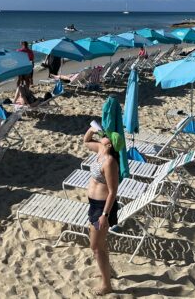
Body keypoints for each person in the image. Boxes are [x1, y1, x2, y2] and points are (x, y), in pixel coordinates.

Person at [83, 125, 121, 296]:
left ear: (110, 145)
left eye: (106, 136)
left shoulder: (110, 162)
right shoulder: (100, 149)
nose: (103, 136)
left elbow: (113, 192)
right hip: (94, 204)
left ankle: (107, 285)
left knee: (95, 246)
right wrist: (93, 129)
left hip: (102, 208)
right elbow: (86, 141)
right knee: (100, 244)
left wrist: (105, 215)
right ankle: (108, 271)